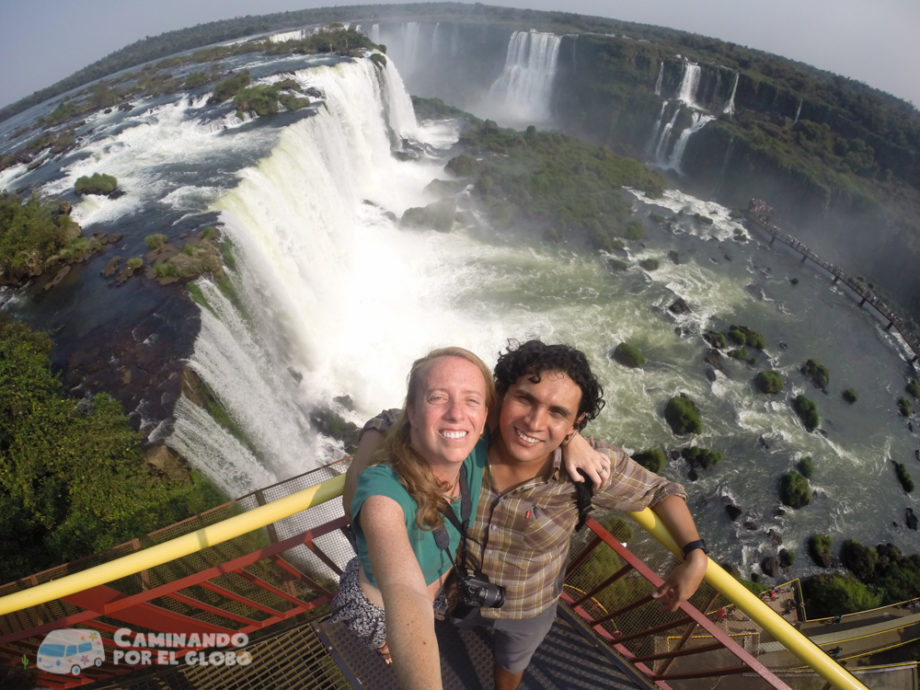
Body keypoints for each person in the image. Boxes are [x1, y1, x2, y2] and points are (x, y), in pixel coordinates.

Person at [345, 339, 707, 690]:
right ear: (500, 398)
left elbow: (662, 490)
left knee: (512, 665)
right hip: (458, 587)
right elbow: (397, 419)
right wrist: (359, 481)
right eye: (525, 399)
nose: (534, 422)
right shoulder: (470, 442)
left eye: (557, 413)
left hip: (527, 607)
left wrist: (695, 554)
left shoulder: (588, 468)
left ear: (576, 422)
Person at [331, 346, 494, 689]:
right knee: (390, 635)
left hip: (434, 591)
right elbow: (405, 592)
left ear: (485, 415)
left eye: (471, 400)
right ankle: (385, 645)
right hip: (378, 607)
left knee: (423, 617)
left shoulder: (477, 452)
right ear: (413, 414)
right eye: (438, 398)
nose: (456, 413)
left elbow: (536, 424)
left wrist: (572, 441)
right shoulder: (383, 491)